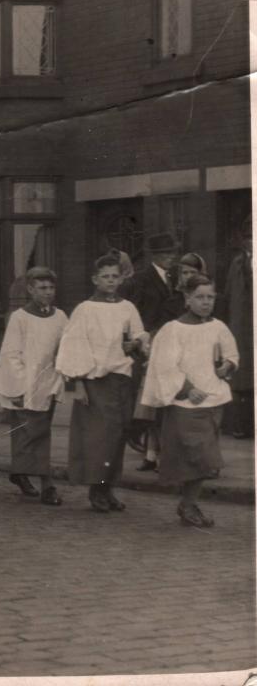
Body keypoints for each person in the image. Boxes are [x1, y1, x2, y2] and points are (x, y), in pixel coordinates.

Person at [141, 275, 238, 527]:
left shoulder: (218, 327)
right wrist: (186, 388)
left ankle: (188, 504)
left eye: (210, 297)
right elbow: (164, 365)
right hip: (187, 403)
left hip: (214, 399)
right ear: (187, 299)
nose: (206, 302)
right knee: (201, 457)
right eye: (200, 297)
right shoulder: (173, 330)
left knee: (202, 459)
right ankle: (188, 504)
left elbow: (230, 353)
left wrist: (227, 365)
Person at [56, 254, 149, 513]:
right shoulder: (85, 310)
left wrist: (137, 343)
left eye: (115, 276)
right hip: (95, 381)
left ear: (121, 278)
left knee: (118, 435)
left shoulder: (127, 307)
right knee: (99, 438)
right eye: (105, 277)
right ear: (95, 279)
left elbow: (140, 333)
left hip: (122, 379)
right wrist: (79, 384)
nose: (110, 281)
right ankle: (96, 489)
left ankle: (108, 489)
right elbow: (73, 346)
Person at [0, 267, 67, 504]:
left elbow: (66, 345)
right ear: (30, 290)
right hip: (24, 383)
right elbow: (10, 353)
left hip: (48, 383)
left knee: (37, 431)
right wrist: (18, 387)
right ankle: (47, 484)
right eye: (42, 288)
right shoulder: (20, 318)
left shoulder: (60, 316)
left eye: (51, 288)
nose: (48, 293)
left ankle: (20, 472)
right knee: (30, 432)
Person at [119, 233, 181, 472]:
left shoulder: (175, 278)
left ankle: (154, 451)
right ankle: (140, 439)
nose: (171, 258)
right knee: (146, 400)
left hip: (171, 344)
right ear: (155, 256)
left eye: (172, 253)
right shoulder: (140, 280)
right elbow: (129, 313)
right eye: (166, 253)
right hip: (147, 345)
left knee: (162, 400)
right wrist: (138, 341)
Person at [224, 217, 253, 440]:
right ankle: (241, 425)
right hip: (241, 327)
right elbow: (228, 296)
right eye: (249, 237)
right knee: (242, 379)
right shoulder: (236, 263)